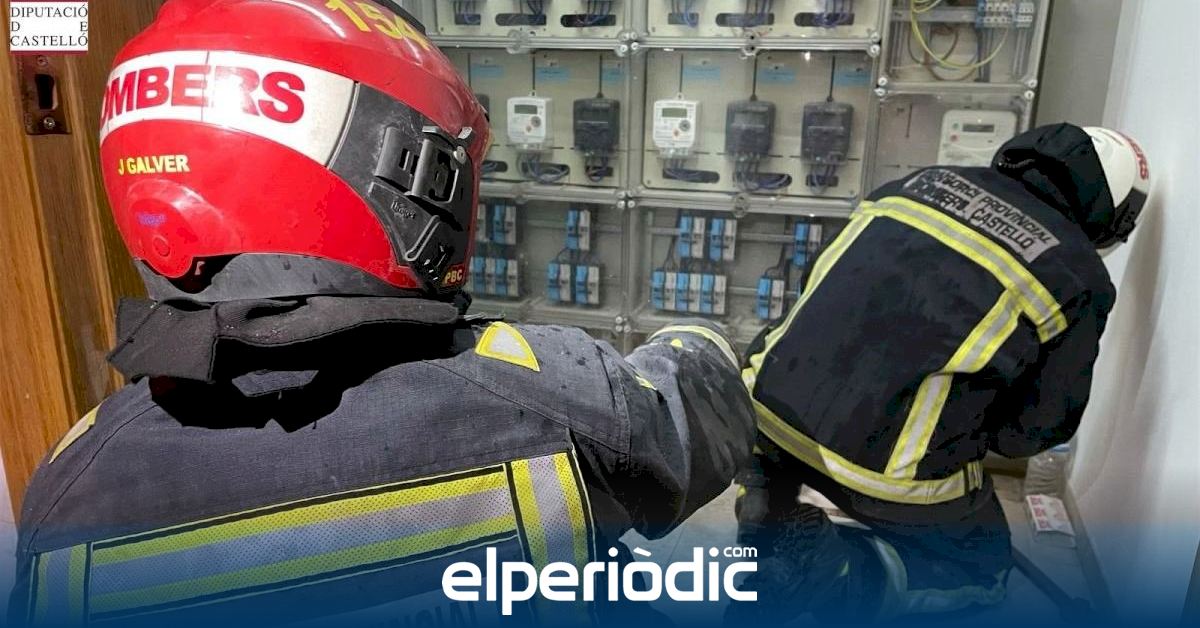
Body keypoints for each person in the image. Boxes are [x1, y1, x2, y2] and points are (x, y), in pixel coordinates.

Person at [8, 1, 756, 625]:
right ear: (405, 180)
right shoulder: (540, 395)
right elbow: (694, 424)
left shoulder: (71, 482)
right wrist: (697, 339)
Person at [734, 123, 1152, 621]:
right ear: (1114, 214)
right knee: (981, 571)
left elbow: (816, 287)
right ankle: (848, 573)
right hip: (883, 468)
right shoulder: (1080, 276)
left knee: (781, 451)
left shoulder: (914, 185)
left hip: (759, 411)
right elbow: (1032, 432)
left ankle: (766, 512)